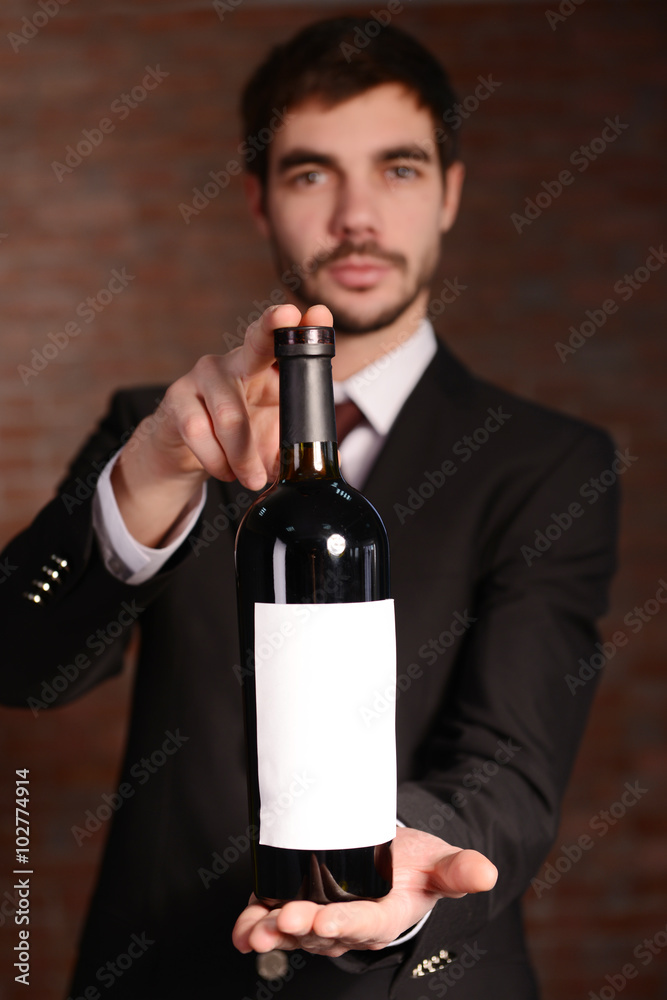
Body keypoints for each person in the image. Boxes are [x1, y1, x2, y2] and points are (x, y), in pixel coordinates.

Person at [1, 17, 618, 999]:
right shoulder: (149, 432)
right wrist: (151, 479)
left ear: (451, 191)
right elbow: (22, 666)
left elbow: (512, 757)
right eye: (309, 173)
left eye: (400, 169)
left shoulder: (548, 465)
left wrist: (393, 868)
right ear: (257, 200)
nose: (357, 215)